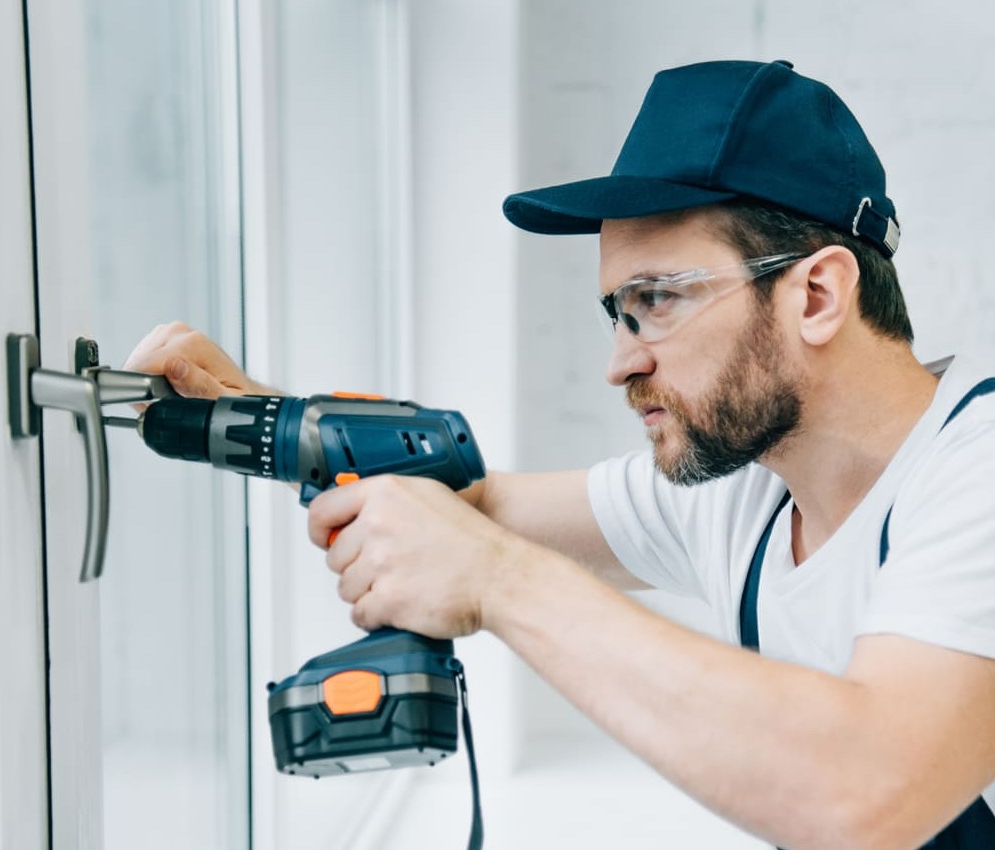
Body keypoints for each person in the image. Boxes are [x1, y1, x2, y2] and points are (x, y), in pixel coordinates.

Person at [126, 60, 995, 850]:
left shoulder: (974, 470)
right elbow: (462, 507)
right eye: (616, 312)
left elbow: (867, 789)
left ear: (816, 294)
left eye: (657, 300)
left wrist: (495, 579)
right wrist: (264, 415)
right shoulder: (747, 494)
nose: (620, 362)